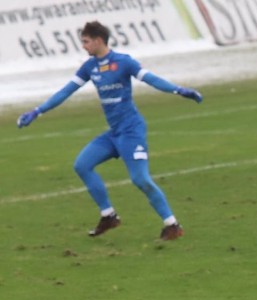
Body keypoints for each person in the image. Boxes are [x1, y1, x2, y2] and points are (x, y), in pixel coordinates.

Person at [16, 21, 202, 240]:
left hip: (131, 131)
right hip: (114, 134)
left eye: (85, 42)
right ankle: (109, 216)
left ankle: (172, 225)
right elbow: (66, 91)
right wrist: (37, 111)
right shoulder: (89, 67)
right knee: (82, 165)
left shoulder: (123, 62)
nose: (83, 46)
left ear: (98, 40)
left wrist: (178, 90)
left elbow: (151, 79)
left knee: (140, 179)